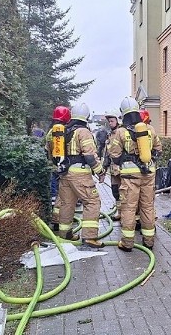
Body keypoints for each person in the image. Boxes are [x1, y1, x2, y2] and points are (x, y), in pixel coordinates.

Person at [108, 97, 162, 251]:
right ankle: (149, 241)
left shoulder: (120, 132)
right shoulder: (149, 129)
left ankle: (127, 243)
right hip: (149, 174)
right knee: (147, 207)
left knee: (129, 208)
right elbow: (158, 150)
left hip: (130, 177)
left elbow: (115, 156)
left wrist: (127, 159)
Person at [53, 103, 106, 248]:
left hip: (64, 173)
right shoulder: (83, 131)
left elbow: (49, 150)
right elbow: (89, 156)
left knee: (66, 203)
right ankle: (89, 238)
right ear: (87, 116)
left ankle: (65, 235)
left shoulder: (63, 130)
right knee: (92, 202)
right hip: (80, 175)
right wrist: (100, 171)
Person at [45, 106, 71, 207]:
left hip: (53, 164)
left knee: (53, 182)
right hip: (65, 165)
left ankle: (53, 199)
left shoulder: (50, 132)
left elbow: (46, 149)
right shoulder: (67, 130)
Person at [102, 109, 122, 221]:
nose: (110, 123)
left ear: (118, 120)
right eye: (109, 121)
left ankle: (128, 215)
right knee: (116, 192)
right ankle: (119, 212)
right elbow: (106, 152)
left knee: (125, 193)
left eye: (112, 121)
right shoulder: (110, 135)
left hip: (124, 170)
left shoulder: (123, 133)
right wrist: (104, 168)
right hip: (114, 170)